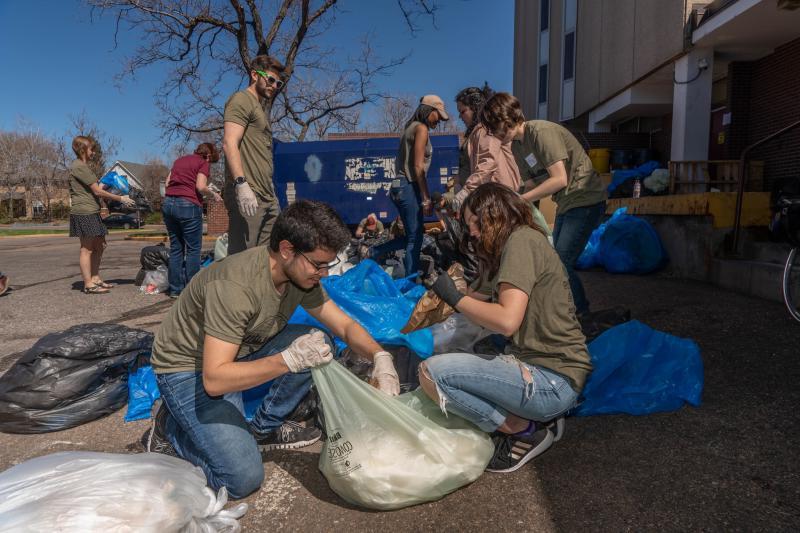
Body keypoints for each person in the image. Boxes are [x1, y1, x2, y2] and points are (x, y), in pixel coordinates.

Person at [146, 200, 401, 499]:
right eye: (318, 265)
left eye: (328, 265)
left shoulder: (299, 277)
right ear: (287, 250)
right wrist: (288, 360)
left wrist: (380, 356)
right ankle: (171, 429)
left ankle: (262, 428)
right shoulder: (236, 287)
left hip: (237, 352)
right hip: (189, 370)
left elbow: (344, 326)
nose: (324, 273)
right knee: (241, 479)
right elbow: (215, 381)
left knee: (319, 341)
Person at [418, 183, 592, 473]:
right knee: (465, 351)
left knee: (432, 374)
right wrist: (434, 301)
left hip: (551, 380)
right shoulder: (510, 248)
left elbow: (505, 319)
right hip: (547, 370)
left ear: (491, 215)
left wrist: (455, 297)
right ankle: (538, 416)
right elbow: (474, 300)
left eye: (473, 222)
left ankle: (522, 429)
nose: (471, 232)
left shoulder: (521, 242)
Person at [481, 92, 607, 317]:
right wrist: (510, 204)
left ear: (507, 117)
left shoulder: (541, 132)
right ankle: (564, 310)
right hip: (567, 203)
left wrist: (521, 199)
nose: (495, 133)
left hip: (585, 199)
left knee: (561, 262)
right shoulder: (517, 147)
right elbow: (529, 187)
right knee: (554, 262)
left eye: (495, 125)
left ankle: (581, 314)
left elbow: (559, 179)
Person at [369, 95, 449, 276]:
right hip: (408, 186)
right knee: (416, 238)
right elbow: (418, 166)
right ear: (429, 110)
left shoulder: (408, 128)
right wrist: (426, 198)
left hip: (397, 186)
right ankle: (410, 283)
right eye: (439, 115)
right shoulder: (421, 128)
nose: (440, 121)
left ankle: (375, 251)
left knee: (411, 237)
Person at [222, 55, 285, 255]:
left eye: (278, 82)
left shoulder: (260, 108)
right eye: (270, 79)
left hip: (267, 196)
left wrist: (272, 193)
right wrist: (241, 184)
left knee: (265, 258)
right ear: (254, 75)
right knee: (242, 260)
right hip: (250, 193)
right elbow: (229, 142)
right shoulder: (241, 99)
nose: (274, 85)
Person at [68, 136, 135, 294]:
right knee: (87, 249)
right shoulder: (79, 166)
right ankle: (88, 284)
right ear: (83, 149)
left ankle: (95, 277)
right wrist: (121, 198)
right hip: (84, 211)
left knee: (100, 245)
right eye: (91, 149)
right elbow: (97, 190)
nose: (93, 152)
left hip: (93, 210)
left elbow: (97, 186)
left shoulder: (84, 167)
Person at [162, 143, 223, 298]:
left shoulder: (179, 160)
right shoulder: (203, 162)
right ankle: (192, 290)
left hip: (169, 203)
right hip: (188, 205)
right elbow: (201, 186)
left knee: (176, 248)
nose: (210, 164)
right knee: (193, 249)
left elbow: (168, 182)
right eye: (211, 161)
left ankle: (175, 289)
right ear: (208, 156)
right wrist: (214, 195)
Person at [450, 84, 521, 211]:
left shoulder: (484, 129)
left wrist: (467, 190)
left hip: (497, 197)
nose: (460, 116)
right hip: (491, 195)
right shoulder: (477, 132)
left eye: (462, 111)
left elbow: (487, 161)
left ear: (475, 108)